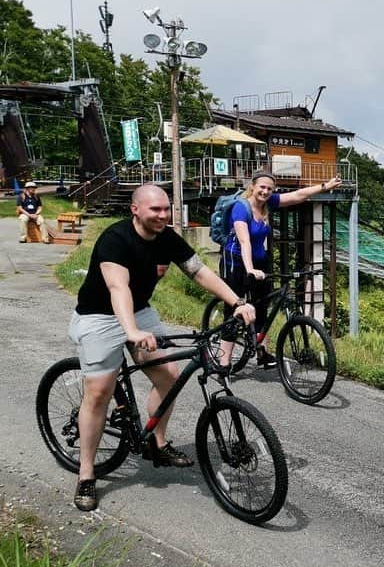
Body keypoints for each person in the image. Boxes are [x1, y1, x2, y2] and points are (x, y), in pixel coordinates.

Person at [68, 184, 256, 512]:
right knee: (98, 392)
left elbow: (199, 271)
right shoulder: (116, 239)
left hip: (139, 312)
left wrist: (237, 301)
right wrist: (131, 331)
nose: (163, 215)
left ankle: (158, 442)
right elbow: (117, 287)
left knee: (168, 375)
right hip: (100, 316)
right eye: (155, 209)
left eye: (166, 209)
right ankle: (86, 474)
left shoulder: (167, 237)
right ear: (135, 210)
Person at [218, 169, 342, 369]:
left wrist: (324, 187)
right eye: (262, 187)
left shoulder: (269, 203)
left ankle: (262, 353)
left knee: (261, 306)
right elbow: (244, 241)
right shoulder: (241, 208)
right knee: (236, 308)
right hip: (236, 261)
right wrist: (250, 269)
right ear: (253, 187)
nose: (265, 192)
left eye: (269, 189)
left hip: (260, 260)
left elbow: (296, 196)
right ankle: (223, 362)